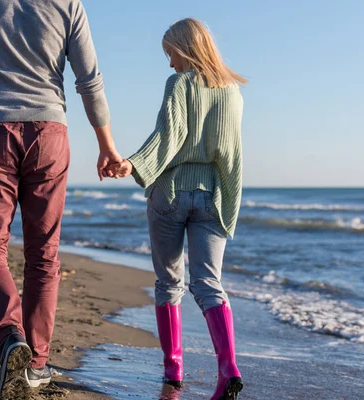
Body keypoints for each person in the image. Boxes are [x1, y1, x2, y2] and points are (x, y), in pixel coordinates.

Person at [0, 0, 121, 398]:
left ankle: (10, 338)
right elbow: (89, 79)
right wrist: (106, 145)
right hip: (49, 134)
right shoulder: (68, 3)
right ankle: (37, 363)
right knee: (44, 253)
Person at [109, 18, 246, 400]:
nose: (170, 64)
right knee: (208, 284)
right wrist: (229, 202)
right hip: (211, 195)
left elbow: (170, 136)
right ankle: (229, 368)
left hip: (169, 193)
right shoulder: (232, 92)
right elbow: (232, 156)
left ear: (185, 49)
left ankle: (173, 372)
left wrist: (134, 164)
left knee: (169, 283)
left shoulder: (180, 84)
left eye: (171, 54)